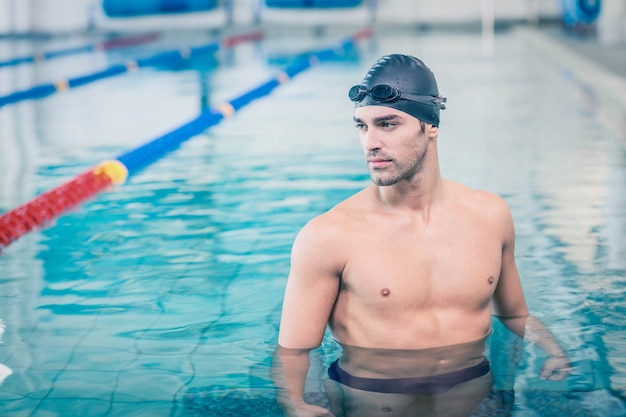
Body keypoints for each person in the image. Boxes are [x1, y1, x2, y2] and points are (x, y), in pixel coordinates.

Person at [272, 54, 571, 417]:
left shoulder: (491, 216)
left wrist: (554, 351)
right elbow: (294, 350)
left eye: (387, 124)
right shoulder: (328, 235)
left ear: (430, 126)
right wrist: (295, 404)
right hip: (373, 401)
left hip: (471, 400)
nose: (370, 142)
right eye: (362, 127)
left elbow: (514, 316)